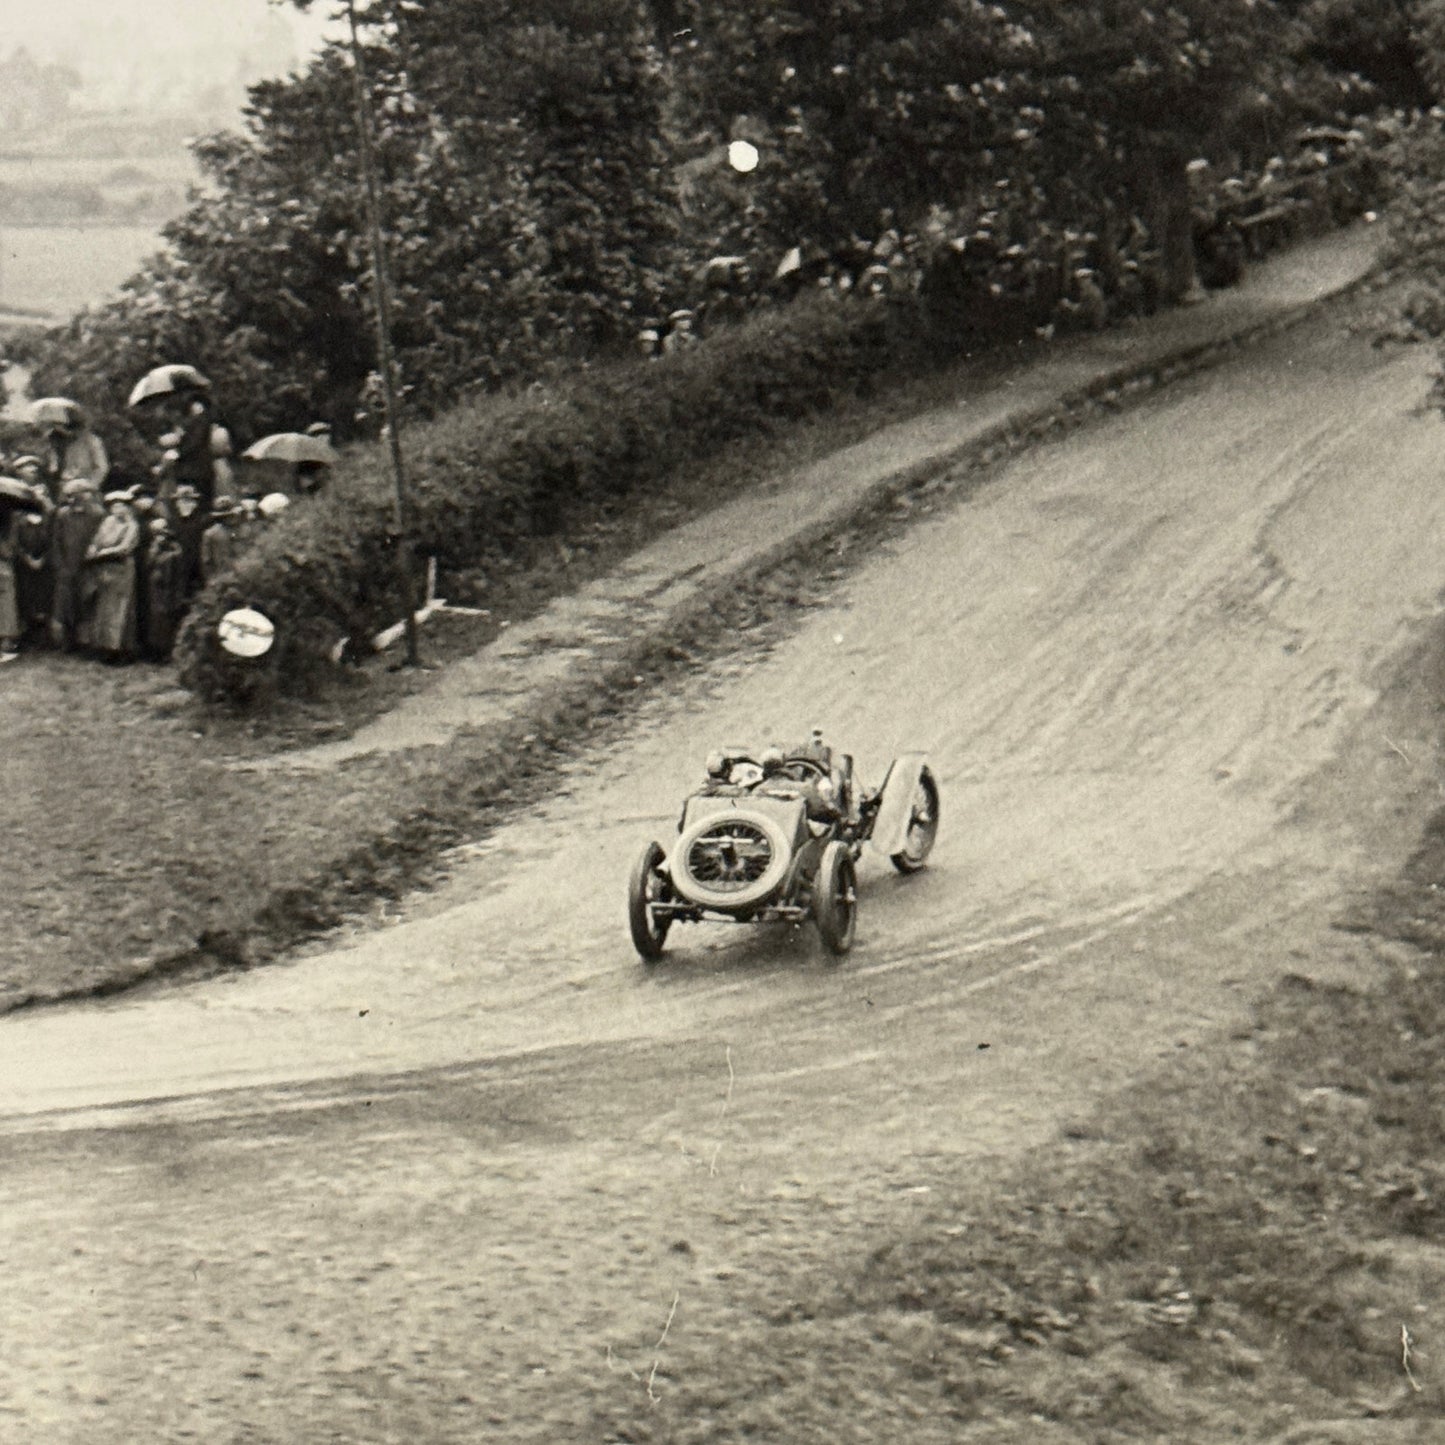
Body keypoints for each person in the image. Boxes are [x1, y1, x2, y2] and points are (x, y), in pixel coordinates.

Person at [80, 491, 141, 661]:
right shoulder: (107, 522)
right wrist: (92, 549)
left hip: (121, 568)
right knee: (103, 608)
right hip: (104, 569)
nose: (117, 510)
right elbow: (97, 539)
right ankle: (102, 645)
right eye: (114, 506)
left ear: (127, 507)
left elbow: (124, 548)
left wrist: (103, 552)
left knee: (120, 608)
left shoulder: (132, 525)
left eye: (121, 506)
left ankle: (119, 648)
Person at [49, 479, 104, 650]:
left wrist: (95, 558)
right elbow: (56, 540)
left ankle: (88, 642)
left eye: (78, 495)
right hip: (67, 565)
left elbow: (101, 538)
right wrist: (59, 564)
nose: (74, 499)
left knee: (87, 602)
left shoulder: (97, 514)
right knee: (66, 604)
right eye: (70, 496)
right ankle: (68, 640)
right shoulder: (62, 514)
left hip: (89, 565)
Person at [11, 458, 53, 646]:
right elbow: (13, 537)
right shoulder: (13, 499)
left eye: (34, 470)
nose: (30, 474)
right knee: (22, 596)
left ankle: (41, 636)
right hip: (21, 560)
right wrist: (25, 557)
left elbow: (53, 533)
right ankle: (23, 634)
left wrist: (44, 557)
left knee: (42, 597)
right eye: (26, 470)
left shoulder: (46, 507)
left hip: (43, 559)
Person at [142, 515, 186, 661]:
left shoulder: (174, 546)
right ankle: (154, 649)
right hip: (154, 586)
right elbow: (148, 562)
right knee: (154, 617)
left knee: (166, 616)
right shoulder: (153, 546)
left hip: (169, 586)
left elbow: (177, 560)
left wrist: (164, 557)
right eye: (156, 532)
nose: (159, 535)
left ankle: (165, 650)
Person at [41, 411, 108, 499]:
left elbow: (101, 467)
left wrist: (91, 485)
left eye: (60, 424)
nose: (58, 428)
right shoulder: (52, 441)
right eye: (55, 424)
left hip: (84, 487)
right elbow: (48, 467)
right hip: (61, 487)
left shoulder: (91, 441)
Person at [201, 495, 242, 581]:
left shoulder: (239, 531)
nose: (232, 518)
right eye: (228, 516)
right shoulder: (210, 534)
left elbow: (206, 561)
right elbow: (207, 561)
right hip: (221, 577)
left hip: (236, 576)